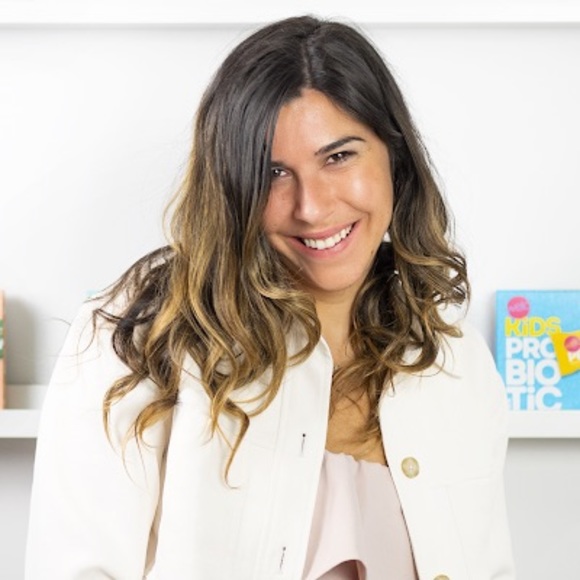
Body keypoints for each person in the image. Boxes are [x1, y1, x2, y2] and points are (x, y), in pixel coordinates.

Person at [25, 15, 516, 580]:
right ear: (232, 187)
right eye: (273, 172)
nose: (311, 206)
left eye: (339, 157)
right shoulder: (138, 336)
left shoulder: (455, 361)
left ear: (395, 158)